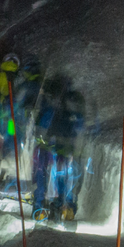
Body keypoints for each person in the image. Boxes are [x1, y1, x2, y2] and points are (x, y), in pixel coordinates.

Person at [31, 74, 86, 223]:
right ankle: (49, 205)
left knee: (54, 174)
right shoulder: (57, 108)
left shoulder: (59, 108)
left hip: (58, 147)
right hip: (57, 147)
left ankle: (50, 205)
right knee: (56, 175)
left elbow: (40, 127)